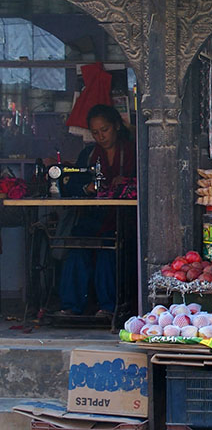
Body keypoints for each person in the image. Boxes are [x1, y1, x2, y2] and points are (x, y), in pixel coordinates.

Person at [58, 104, 136, 317]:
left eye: (105, 130)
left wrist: (127, 182)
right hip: (94, 218)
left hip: (124, 219)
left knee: (107, 252)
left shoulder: (133, 152)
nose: (100, 136)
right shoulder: (89, 154)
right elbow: (71, 185)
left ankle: (109, 308)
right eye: (95, 132)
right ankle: (71, 306)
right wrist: (87, 187)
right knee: (77, 247)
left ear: (116, 126)